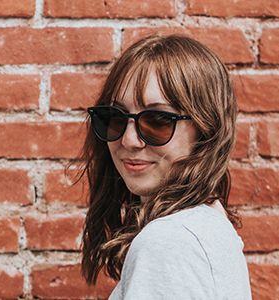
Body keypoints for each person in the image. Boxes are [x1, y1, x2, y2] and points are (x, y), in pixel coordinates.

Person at [74, 34, 252, 299]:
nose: (129, 140)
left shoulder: (169, 241)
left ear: (206, 130)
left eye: (157, 120)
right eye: (115, 118)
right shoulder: (203, 228)